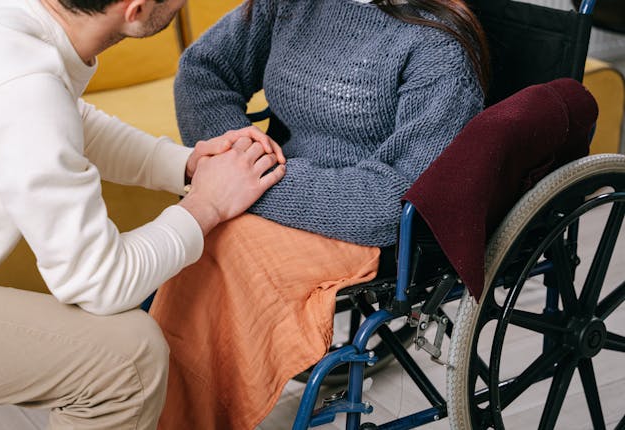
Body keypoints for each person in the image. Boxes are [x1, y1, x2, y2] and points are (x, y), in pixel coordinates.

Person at [0, 0, 286, 428]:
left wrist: (184, 165)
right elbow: (100, 283)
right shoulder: (21, 88)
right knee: (127, 361)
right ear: (135, 10)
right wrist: (206, 205)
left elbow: (59, 117)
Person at [148, 0, 490, 428]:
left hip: (358, 222)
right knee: (187, 238)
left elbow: (394, 201)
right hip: (279, 190)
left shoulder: (438, 48)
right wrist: (238, 157)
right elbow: (203, 71)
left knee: (221, 246)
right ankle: (152, 401)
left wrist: (252, 183)